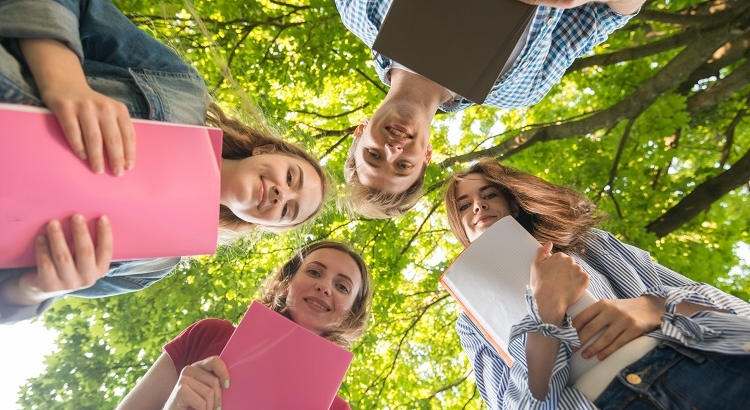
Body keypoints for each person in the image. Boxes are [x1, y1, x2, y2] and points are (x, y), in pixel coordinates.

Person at [0, 0, 329, 323]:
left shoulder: (151, 265)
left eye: (287, 210)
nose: (280, 195)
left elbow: (13, 300)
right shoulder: (180, 92)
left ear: (263, 225)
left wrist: (33, 291)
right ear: (265, 150)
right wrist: (64, 81)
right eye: (291, 178)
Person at [442, 158, 750, 409]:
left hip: (700, 365)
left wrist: (654, 307)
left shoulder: (591, 245)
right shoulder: (472, 322)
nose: (478, 206)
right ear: (460, 226)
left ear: (513, 202)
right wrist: (545, 314)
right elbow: (520, 404)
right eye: (464, 205)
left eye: (489, 194)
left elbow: (735, 313)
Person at [335, 0, 646, 218]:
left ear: (360, 132)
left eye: (373, 156)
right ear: (426, 156)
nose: (393, 151)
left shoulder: (358, 10)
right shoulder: (520, 88)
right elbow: (614, 14)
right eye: (404, 166)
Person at [116, 241, 372, 410]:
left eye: (342, 287)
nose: (324, 287)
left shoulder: (336, 408)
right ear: (287, 282)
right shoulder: (208, 334)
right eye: (315, 272)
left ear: (351, 315)